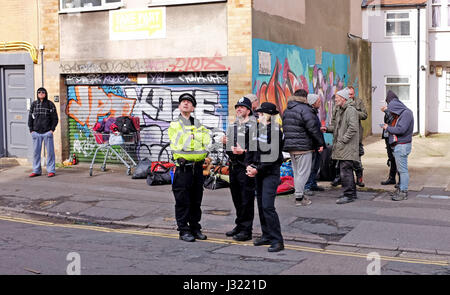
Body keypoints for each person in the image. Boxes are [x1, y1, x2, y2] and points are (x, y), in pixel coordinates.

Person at [168, 93, 211, 242]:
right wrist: (193, 137)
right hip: (183, 168)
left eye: (189, 102)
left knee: (196, 201)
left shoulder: (198, 123)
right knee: (182, 200)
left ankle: (195, 228)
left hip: (197, 168)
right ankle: (183, 230)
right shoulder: (175, 124)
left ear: (193, 107)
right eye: (183, 102)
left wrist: (193, 137)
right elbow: (178, 143)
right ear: (179, 106)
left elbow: (207, 140)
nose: (186, 104)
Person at [246, 102, 284, 252]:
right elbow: (250, 149)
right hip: (258, 172)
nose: (258, 116)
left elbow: (272, 157)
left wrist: (258, 169)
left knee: (268, 206)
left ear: (267, 116)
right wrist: (249, 165)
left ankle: (277, 240)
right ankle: (266, 235)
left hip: (270, 173)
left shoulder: (275, 131)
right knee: (261, 205)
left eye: (260, 114)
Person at [282, 90, 325, 206]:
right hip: (303, 147)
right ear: (304, 98)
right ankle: (299, 198)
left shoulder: (287, 110)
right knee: (303, 173)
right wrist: (320, 143)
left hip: (291, 147)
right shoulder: (305, 110)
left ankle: (298, 194)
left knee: (297, 173)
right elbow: (313, 129)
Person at [223, 96, 257, 242]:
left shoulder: (255, 126)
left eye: (242, 107)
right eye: (237, 107)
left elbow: (257, 149)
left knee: (246, 200)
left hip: (246, 167)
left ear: (248, 110)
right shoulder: (234, 125)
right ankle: (239, 225)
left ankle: (246, 230)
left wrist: (244, 151)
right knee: (236, 198)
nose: (238, 109)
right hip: (234, 167)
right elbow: (230, 149)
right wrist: (226, 143)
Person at [321, 88, 359, 204]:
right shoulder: (341, 109)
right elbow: (337, 128)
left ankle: (349, 194)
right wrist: (327, 129)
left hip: (347, 146)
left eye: (337, 98)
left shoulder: (350, 110)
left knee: (345, 170)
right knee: (345, 169)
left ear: (343, 99)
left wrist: (343, 140)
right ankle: (350, 192)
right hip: (343, 145)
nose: (335, 100)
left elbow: (353, 128)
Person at [381, 90, 414, 201]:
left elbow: (401, 129)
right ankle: (401, 189)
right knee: (401, 170)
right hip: (400, 145)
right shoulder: (402, 113)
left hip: (402, 146)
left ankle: (403, 192)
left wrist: (387, 128)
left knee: (403, 171)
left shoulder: (406, 114)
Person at [28, 87, 59, 178]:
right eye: (39, 92)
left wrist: (52, 130)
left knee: (50, 153)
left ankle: (51, 170)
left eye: (43, 92)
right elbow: (30, 118)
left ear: (45, 94)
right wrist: (31, 130)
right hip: (36, 133)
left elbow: (55, 119)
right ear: (37, 94)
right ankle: (36, 170)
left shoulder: (50, 104)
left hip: (47, 132)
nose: (41, 93)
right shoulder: (34, 104)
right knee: (36, 153)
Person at [304, 94, 326, 197]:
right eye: (318, 102)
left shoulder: (313, 112)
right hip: (312, 145)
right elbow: (312, 131)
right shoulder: (310, 113)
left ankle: (312, 184)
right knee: (311, 166)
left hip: (314, 144)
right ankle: (307, 186)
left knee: (315, 165)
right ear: (313, 103)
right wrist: (319, 144)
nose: (320, 103)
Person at [348, 86, 368, 187]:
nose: (350, 96)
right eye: (348, 94)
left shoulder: (359, 102)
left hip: (357, 136)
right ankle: (344, 180)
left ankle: (359, 179)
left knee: (357, 160)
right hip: (346, 136)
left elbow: (364, 115)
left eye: (352, 94)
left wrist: (354, 112)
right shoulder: (342, 103)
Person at [380, 91, 398, 185]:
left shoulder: (394, 108)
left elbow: (392, 120)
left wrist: (386, 111)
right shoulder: (390, 108)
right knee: (391, 158)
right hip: (388, 136)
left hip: (393, 136)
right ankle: (392, 178)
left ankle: (398, 180)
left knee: (396, 157)